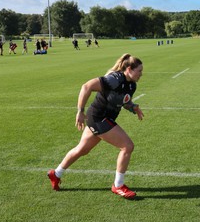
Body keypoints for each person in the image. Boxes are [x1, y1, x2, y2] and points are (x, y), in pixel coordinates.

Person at [47, 53, 144, 199]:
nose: (141, 74)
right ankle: (118, 186)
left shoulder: (131, 85)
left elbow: (120, 100)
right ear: (129, 69)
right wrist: (80, 111)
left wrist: (133, 107)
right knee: (127, 146)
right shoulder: (114, 79)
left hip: (103, 118)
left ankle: (56, 173)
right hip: (99, 118)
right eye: (139, 71)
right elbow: (87, 86)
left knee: (81, 150)